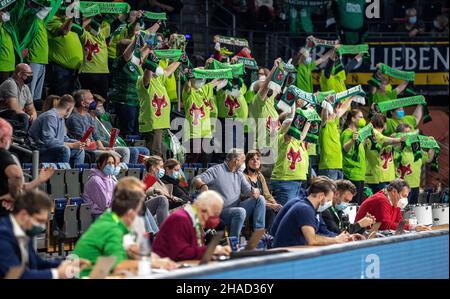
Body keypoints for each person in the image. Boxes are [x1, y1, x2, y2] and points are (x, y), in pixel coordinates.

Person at [73, 177, 177, 277]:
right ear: (132, 212)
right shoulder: (111, 228)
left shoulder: (114, 219)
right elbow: (119, 266)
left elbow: (133, 252)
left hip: (101, 272)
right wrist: (153, 263)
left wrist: (154, 259)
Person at [0, 189, 90, 279]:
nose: (42, 227)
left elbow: (37, 263)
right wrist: (57, 274)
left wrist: (67, 263)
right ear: (23, 215)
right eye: (39, 220)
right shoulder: (3, 235)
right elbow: (15, 276)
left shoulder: (24, 230)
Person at [193, 148, 264, 238]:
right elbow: (196, 179)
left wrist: (254, 191)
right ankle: (233, 241)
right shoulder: (216, 170)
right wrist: (202, 185)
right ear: (236, 161)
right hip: (221, 211)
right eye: (243, 160)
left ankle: (259, 236)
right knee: (240, 211)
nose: (244, 163)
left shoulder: (238, 174)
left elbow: (247, 190)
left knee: (260, 199)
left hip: (237, 207)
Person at [272, 176, 357, 248]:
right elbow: (312, 240)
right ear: (321, 196)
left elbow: (322, 231)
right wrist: (336, 240)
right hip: (283, 256)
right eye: (328, 200)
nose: (329, 203)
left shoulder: (314, 209)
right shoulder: (304, 208)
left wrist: (346, 238)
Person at [152, 190, 231, 261]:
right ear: (203, 209)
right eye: (215, 214)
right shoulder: (180, 219)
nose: (215, 219)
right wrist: (211, 250)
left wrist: (213, 254)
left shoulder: (194, 221)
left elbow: (194, 251)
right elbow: (181, 253)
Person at [0, 118, 54, 217]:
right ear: (4, 139)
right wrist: (14, 195)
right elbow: (16, 176)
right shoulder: (3, 154)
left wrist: (38, 180)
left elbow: (20, 186)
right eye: (10, 137)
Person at [136, 49, 180, 157]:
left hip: (161, 124)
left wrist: (179, 61)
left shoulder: (159, 79)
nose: (159, 67)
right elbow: (147, 75)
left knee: (161, 152)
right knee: (155, 154)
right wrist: (150, 63)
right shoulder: (143, 80)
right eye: (156, 64)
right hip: (152, 124)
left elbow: (168, 71)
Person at [90, 94, 149, 164]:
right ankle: (126, 171)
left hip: (115, 144)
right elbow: (98, 139)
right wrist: (111, 144)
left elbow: (110, 133)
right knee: (133, 151)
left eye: (102, 105)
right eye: (99, 106)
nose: (102, 108)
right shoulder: (90, 120)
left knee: (145, 150)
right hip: (107, 145)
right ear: (93, 107)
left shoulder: (102, 119)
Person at [29, 94, 85, 166]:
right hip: (39, 150)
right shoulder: (50, 116)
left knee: (79, 150)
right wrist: (72, 145)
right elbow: (49, 141)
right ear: (68, 109)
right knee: (65, 149)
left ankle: (76, 176)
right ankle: (61, 175)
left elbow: (64, 138)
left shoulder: (61, 118)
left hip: (51, 149)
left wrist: (79, 143)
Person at [355, 179, 431, 232]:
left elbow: (399, 221)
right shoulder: (381, 200)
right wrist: (413, 227)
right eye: (404, 196)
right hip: (363, 236)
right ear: (394, 192)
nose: (405, 199)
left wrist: (408, 223)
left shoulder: (395, 202)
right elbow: (386, 225)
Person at [66, 89, 119, 163]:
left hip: (94, 147)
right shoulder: (74, 118)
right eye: (90, 99)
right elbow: (83, 140)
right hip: (86, 149)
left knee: (126, 151)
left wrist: (102, 147)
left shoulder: (88, 116)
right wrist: (98, 147)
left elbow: (95, 135)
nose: (93, 101)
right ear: (83, 103)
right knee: (114, 155)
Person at [270, 113, 310, 205]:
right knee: (285, 213)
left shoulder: (297, 140)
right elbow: (288, 134)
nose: (298, 128)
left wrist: (309, 119)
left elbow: (304, 133)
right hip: (285, 182)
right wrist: (296, 117)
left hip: (298, 181)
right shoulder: (280, 138)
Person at [394, 123, 435, 205]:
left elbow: (429, 159)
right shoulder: (397, 149)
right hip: (401, 187)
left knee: (412, 212)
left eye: (411, 132)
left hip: (415, 186)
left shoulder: (417, 150)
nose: (410, 135)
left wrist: (432, 145)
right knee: (401, 211)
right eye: (407, 132)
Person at [46, 10, 83, 95]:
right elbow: (64, 31)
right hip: (59, 68)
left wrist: (92, 13)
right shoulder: (51, 19)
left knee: (70, 100)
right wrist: (71, 17)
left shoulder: (70, 23)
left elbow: (81, 29)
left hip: (74, 71)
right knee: (59, 98)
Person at [318, 93, 354, 180]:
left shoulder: (335, 122)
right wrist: (326, 104)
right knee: (330, 193)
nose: (339, 110)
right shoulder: (324, 124)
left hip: (338, 165)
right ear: (333, 109)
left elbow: (344, 108)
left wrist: (352, 96)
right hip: (328, 166)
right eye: (337, 108)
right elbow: (324, 115)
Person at [243, 150, 282, 231]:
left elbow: (267, 195)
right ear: (247, 162)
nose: (255, 161)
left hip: (263, 204)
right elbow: (247, 198)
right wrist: (270, 205)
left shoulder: (260, 176)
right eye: (252, 159)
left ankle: (271, 236)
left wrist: (275, 204)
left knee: (278, 209)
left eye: (257, 159)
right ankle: (260, 235)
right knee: (269, 210)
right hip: (249, 206)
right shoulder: (243, 177)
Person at [365, 113, 403, 194]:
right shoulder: (374, 133)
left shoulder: (377, 134)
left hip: (384, 176)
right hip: (378, 176)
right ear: (384, 123)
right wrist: (399, 139)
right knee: (382, 201)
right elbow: (385, 140)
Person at [0, 64, 38, 130]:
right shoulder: (10, 83)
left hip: (16, 117)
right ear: (19, 74)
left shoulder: (25, 87)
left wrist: (34, 115)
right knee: (24, 118)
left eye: (31, 73)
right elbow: (14, 108)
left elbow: (31, 108)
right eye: (28, 74)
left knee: (32, 120)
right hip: (4, 116)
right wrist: (29, 117)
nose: (31, 76)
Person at [341, 109, 366, 204]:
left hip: (360, 173)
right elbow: (345, 149)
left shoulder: (359, 133)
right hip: (351, 173)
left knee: (359, 204)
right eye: (360, 117)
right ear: (352, 119)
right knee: (352, 204)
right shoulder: (347, 133)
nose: (363, 119)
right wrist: (352, 140)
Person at [83, 152, 118, 220]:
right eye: (108, 163)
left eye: (112, 163)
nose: (111, 165)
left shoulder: (111, 178)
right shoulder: (95, 180)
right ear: (99, 164)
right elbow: (104, 205)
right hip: (98, 214)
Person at [142, 156, 175, 225]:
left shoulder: (159, 181)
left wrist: (175, 198)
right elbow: (142, 191)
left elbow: (169, 195)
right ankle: (165, 231)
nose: (163, 169)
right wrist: (155, 190)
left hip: (164, 212)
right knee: (162, 199)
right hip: (150, 214)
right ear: (153, 168)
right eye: (161, 167)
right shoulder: (146, 179)